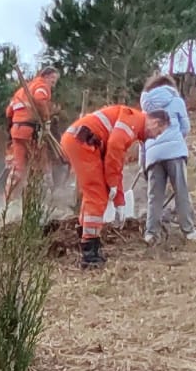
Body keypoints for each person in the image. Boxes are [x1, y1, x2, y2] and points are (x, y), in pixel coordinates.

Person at [61, 102, 148, 269]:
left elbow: (115, 164)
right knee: (97, 196)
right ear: (155, 122)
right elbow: (115, 148)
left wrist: (119, 201)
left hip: (82, 142)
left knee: (93, 194)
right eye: (158, 132)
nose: (154, 137)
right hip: (83, 143)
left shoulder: (132, 120)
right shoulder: (135, 121)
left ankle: (87, 239)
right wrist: (113, 184)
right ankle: (89, 254)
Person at [140, 75, 196, 245]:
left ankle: (151, 233)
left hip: (153, 153)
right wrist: (175, 140)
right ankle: (189, 230)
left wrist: (143, 161)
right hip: (174, 152)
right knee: (181, 191)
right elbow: (185, 128)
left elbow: (142, 134)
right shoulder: (176, 100)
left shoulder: (145, 105)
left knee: (154, 196)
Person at [3, 67, 59, 208]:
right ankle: (46, 198)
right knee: (41, 164)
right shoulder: (41, 86)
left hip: (17, 131)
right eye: (53, 80)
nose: (53, 84)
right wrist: (46, 120)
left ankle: (8, 199)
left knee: (18, 167)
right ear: (46, 76)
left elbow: (9, 111)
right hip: (31, 131)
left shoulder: (22, 90)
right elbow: (40, 100)